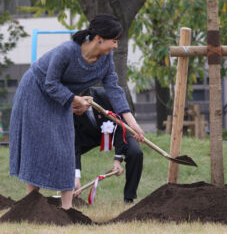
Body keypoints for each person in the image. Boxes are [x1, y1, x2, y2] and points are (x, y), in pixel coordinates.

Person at [9, 14, 145, 210]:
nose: (116, 46)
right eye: (114, 41)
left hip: (62, 95)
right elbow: (50, 83)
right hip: (36, 91)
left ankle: (67, 209)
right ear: (99, 38)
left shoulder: (106, 59)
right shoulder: (67, 51)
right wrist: (75, 99)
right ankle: (30, 205)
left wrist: (132, 124)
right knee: (36, 144)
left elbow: (114, 89)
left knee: (65, 144)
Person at [74, 87, 143, 204]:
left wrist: (118, 159)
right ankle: (69, 192)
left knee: (135, 152)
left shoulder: (105, 96)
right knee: (62, 150)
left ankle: (129, 198)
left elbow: (120, 126)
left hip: (116, 131)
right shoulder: (71, 106)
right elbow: (73, 142)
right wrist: (76, 176)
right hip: (89, 135)